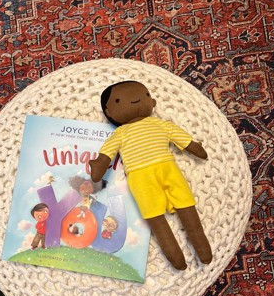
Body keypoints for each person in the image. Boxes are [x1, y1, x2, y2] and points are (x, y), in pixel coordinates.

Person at [89, 81, 212, 270]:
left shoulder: (158, 125)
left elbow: (184, 140)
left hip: (158, 173)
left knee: (182, 209)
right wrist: (99, 165)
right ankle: (178, 259)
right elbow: (106, 154)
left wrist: (195, 148)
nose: (135, 100)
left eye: (145, 95)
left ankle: (203, 252)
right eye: (119, 101)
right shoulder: (121, 133)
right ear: (110, 112)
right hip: (146, 177)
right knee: (159, 218)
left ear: (152, 102)